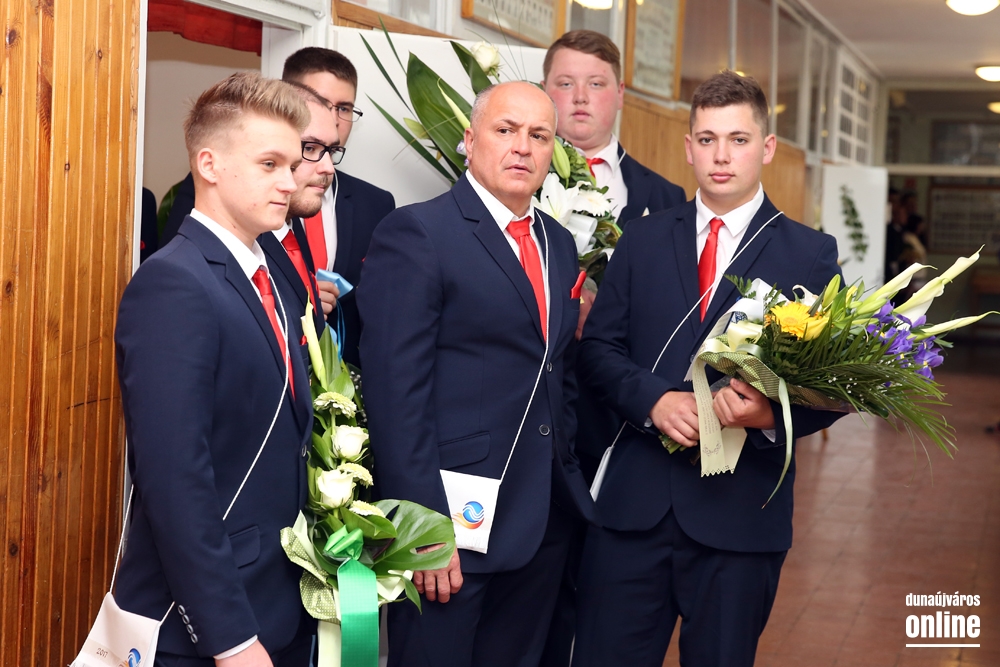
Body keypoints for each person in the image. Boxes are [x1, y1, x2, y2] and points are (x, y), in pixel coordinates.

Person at [571, 71, 844, 667]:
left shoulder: (809, 253)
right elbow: (597, 350)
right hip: (633, 511)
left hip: (740, 516)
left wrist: (768, 413)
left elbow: (835, 387)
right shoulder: (641, 240)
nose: (721, 155)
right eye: (707, 139)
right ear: (689, 147)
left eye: (738, 140)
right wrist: (651, 399)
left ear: (766, 148)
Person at [358, 81, 595, 667]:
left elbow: (557, 370)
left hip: (543, 517)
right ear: (469, 139)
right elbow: (395, 394)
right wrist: (421, 524)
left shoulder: (559, 243)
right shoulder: (419, 233)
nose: (523, 147)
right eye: (505, 130)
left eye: (539, 135)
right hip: (452, 525)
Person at [114, 72, 314, 666]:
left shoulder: (271, 272)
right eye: (269, 164)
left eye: (292, 164)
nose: (289, 181)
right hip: (206, 621)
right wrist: (229, 637)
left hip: (279, 594)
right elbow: (174, 479)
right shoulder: (175, 282)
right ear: (209, 164)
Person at [540, 31, 688, 665]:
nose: (580, 98)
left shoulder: (665, 199)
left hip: (618, 428)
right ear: (545, 90)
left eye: (596, 84)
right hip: (527, 423)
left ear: (619, 94)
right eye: (564, 83)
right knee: (529, 599)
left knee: (604, 601)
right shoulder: (513, 175)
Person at [282, 48, 397, 367]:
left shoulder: (377, 203)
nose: (332, 118)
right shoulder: (250, 196)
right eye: (319, 102)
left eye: (343, 108)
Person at [258, 82, 341, 335]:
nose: (329, 168)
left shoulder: (290, 233)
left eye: (332, 151)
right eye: (310, 148)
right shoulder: (242, 245)